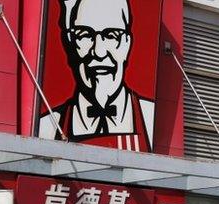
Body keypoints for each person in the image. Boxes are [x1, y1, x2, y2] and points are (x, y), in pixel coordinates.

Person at [38, 0, 155, 152]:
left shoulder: (150, 117)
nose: (99, 52)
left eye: (112, 35)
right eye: (85, 35)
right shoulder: (47, 125)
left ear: (127, 43)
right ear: (71, 44)